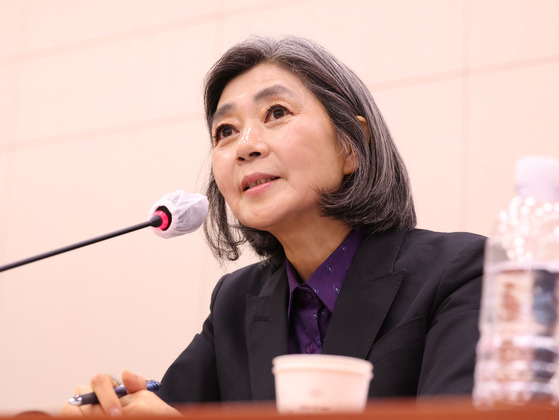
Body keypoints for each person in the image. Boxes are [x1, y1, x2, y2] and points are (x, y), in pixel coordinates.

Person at [61, 35, 485, 416]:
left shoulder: (462, 272)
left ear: (351, 147)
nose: (246, 146)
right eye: (225, 131)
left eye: (276, 112)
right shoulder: (237, 301)